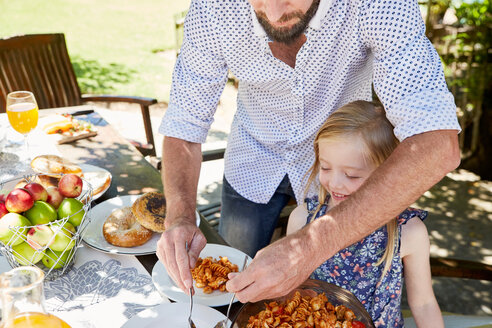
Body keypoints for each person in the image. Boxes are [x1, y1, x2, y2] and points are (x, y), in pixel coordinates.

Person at [157, 0, 461, 301]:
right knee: (225, 288)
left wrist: (310, 245)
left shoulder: (378, 4)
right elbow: (184, 124)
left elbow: (436, 144)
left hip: (335, 168)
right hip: (251, 160)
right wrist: (180, 216)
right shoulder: (212, 7)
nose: (274, 15)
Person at [286, 100, 444, 327]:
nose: (335, 183)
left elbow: (424, 304)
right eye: (326, 167)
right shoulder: (303, 219)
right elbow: (292, 294)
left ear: (387, 175)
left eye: (351, 175)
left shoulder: (409, 232)